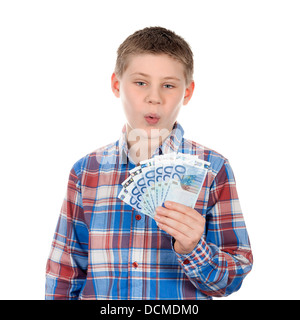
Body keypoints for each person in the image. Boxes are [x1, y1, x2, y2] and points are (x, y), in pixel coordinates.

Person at [45, 26, 253, 300]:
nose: (154, 97)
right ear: (117, 84)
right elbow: (65, 271)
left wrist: (193, 248)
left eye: (168, 85)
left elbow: (231, 279)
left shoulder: (213, 170)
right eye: (140, 82)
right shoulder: (86, 171)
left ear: (187, 93)